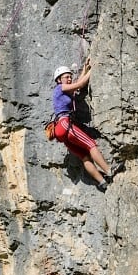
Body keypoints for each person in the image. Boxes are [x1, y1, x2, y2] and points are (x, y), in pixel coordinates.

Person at [51, 58, 122, 190]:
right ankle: (109, 171)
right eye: (66, 77)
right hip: (64, 124)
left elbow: (77, 84)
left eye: (70, 77)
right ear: (59, 80)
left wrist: (85, 68)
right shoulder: (60, 88)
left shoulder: (64, 90)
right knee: (91, 144)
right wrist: (94, 68)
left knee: (85, 156)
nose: (69, 79)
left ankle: (102, 182)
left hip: (60, 131)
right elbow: (80, 84)